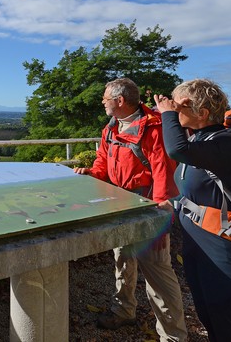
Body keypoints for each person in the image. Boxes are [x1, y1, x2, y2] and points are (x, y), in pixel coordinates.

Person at [75, 78, 187, 341]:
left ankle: (173, 336)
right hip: (121, 204)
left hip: (149, 206)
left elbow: (163, 169)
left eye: (105, 98)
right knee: (123, 258)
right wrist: (91, 172)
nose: (102, 102)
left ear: (119, 100)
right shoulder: (111, 128)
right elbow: (103, 163)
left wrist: (161, 216)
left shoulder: (153, 128)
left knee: (156, 270)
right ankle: (123, 310)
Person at [154, 79, 231, 342]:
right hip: (201, 254)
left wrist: (167, 114)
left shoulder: (229, 144)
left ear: (202, 113)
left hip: (227, 258)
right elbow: (203, 191)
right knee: (212, 325)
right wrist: (176, 203)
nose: (171, 108)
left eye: (179, 105)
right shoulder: (202, 143)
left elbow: (176, 149)